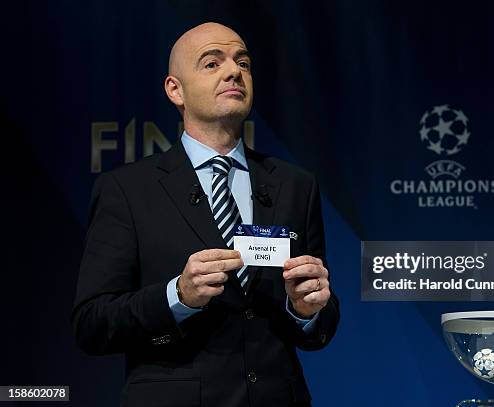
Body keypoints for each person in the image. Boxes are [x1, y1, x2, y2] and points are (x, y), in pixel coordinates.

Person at [71, 22, 340, 407]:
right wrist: (178, 296)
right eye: (212, 63)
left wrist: (305, 310)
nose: (234, 71)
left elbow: (319, 324)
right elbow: (91, 324)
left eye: (243, 63)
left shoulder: (296, 185)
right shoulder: (128, 190)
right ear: (175, 90)